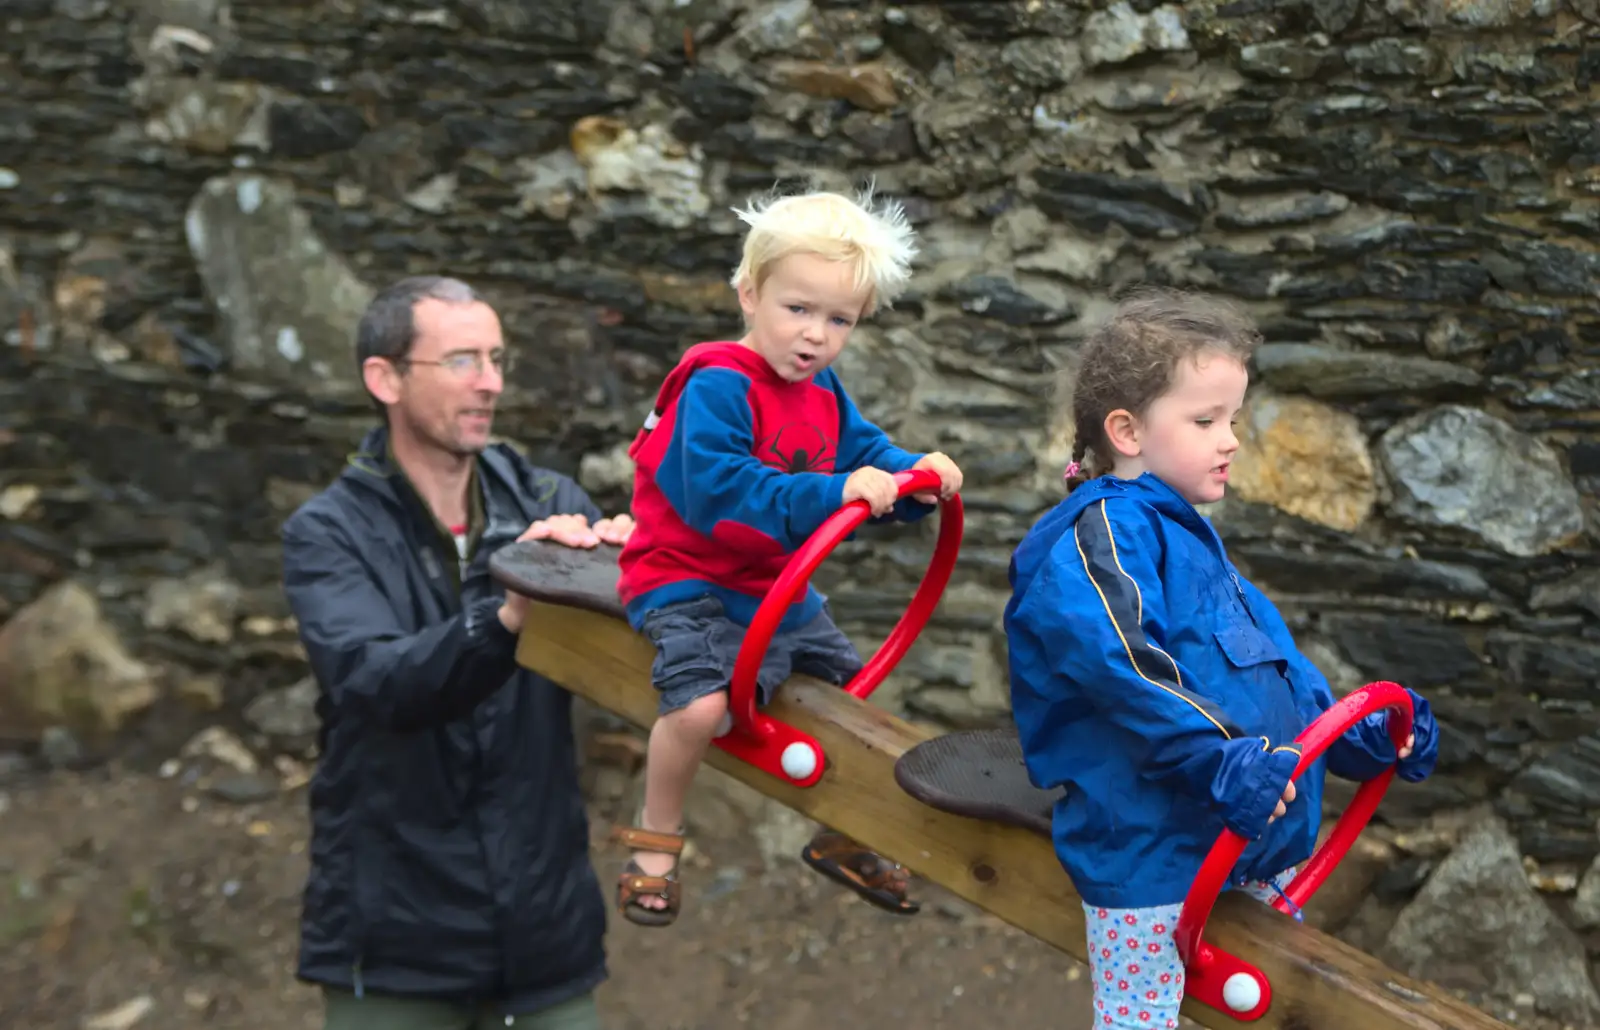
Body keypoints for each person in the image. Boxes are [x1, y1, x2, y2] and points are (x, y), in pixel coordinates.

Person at [1001, 287, 1441, 1029]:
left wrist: (1349, 734)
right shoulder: (1099, 537)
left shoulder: (1188, 535)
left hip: (1249, 836)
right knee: (1144, 1018)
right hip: (1154, 855)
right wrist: (1221, 760)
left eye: (1231, 418)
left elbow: (1266, 661)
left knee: (1267, 1003)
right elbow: (1126, 668)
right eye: (1206, 420)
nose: (1231, 439)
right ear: (1127, 430)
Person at [281, 275, 637, 1030]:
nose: (491, 384)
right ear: (385, 378)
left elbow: (637, 669)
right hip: (396, 937)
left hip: (546, 931)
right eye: (462, 361)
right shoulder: (327, 534)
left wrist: (656, 579)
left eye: (497, 358)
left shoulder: (553, 507)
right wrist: (509, 612)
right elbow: (376, 684)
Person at [609, 189, 964, 926]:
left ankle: (846, 833)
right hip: (687, 580)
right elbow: (720, 493)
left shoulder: (822, 389)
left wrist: (915, 477)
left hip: (773, 591)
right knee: (701, 704)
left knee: (849, 698)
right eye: (798, 309)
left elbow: (865, 453)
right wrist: (836, 492)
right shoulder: (717, 385)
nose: (816, 336)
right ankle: (657, 835)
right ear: (749, 293)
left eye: (839, 320)